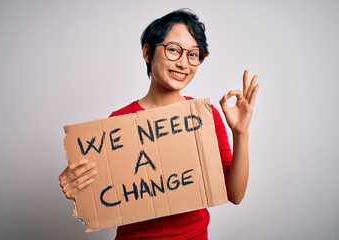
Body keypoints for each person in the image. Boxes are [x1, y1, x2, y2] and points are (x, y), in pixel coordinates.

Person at [59, 8, 259, 240]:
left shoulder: (205, 116)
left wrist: (241, 133)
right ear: (147, 52)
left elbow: (235, 195)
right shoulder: (118, 122)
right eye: (174, 50)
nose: (184, 63)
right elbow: (106, 192)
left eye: (194, 54)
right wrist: (76, 187)